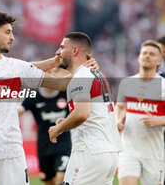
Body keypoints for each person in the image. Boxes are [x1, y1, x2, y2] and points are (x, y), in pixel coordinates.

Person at [0, 11, 97, 185]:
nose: (12, 37)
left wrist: (84, 69)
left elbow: (60, 84)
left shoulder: (15, 67)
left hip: (12, 152)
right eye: (7, 32)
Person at [48, 32, 122, 184]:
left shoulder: (81, 76)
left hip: (89, 152)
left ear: (74, 51)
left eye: (62, 47)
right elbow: (92, 112)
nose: (58, 52)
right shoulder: (97, 74)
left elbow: (82, 114)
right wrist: (67, 122)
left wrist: (57, 128)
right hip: (108, 152)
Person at [116, 40, 165, 185]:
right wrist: (118, 121)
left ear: (159, 60)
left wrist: (159, 120)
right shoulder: (127, 83)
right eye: (144, 53)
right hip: (128, 149)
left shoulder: (163, 86)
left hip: (154, 152)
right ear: (139, 57)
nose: (147, 56)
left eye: (151, 54)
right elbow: (119, 107)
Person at [18, 68, 71, 185]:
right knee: (49, 181)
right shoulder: (34, 97)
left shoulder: (65, 94)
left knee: (61, 178)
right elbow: (19, 111)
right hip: (44, 147)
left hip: (64, 144)